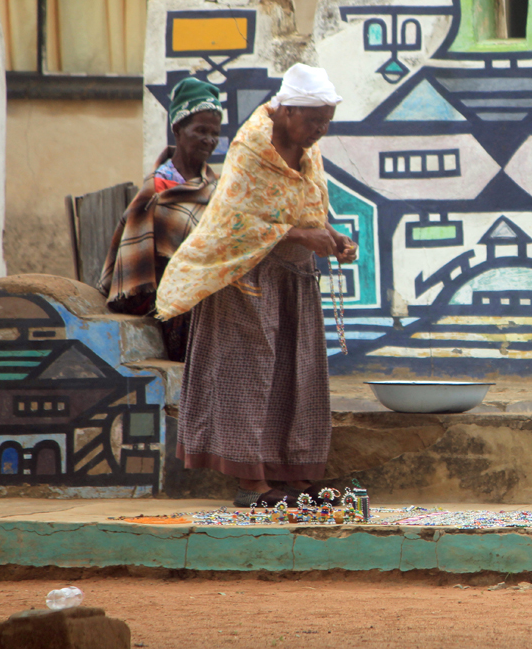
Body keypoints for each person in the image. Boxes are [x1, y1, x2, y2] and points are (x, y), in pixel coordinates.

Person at [154, 63, 358, 508]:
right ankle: (251, 484)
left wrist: (331, 237)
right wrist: (304, 236)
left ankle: (292, 476)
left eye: (327, 121)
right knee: (247, 375)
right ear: (285, 111)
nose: (321, 130)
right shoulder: (252, 149)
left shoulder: (309, 150)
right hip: (245, 279)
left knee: (295, 373)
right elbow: (238, 222)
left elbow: (306, 206)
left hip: (292, 280)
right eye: (314, 120)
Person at [100, 76, 222, 361]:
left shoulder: (215, 188)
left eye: (215, 133)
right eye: (200, 130)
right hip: (167, 309)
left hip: (207, 299)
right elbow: (139, 268)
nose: (209, 140)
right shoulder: (155, 192)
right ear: (178, 129)